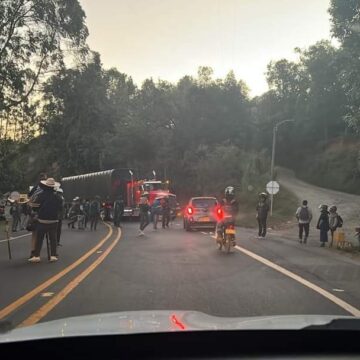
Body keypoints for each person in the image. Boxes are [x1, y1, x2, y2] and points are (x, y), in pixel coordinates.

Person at [29, 178, 61, 263]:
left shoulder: (41, 195)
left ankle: (37, 255)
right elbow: (60, 208)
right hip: (54, 221)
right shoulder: (58, 197)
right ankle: (53, 255)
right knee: (53, 239)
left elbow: (34, 207)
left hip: (42, 220)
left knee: (39, 238)